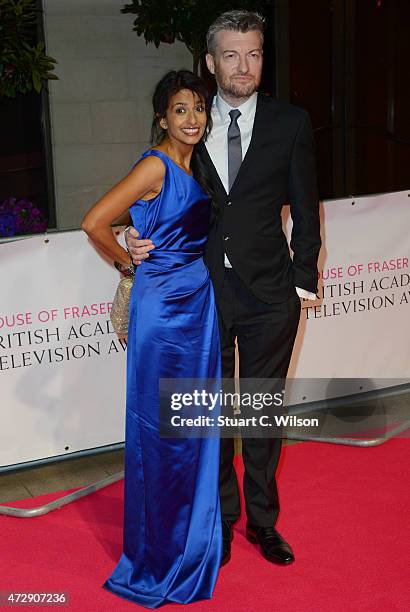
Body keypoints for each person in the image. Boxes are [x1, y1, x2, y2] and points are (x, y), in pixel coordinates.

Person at [126, 11, 321, 568]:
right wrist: (131, 237)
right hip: (201, 294)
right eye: (232, 55)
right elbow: (152, 189)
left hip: (269, 295)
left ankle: (264, 524)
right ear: (209, 63)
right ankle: (221, 522)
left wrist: (302, 279)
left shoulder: (291, 122)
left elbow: (306, 208)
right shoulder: (189, 121)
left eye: (255, 54)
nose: (245, 66)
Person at [82, 70, 222, 608]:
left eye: (199, 109)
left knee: (194, 426)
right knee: (163, 433)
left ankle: (190, 543)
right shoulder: (154, 166)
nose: (192, 119)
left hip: (198, 305)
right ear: (162, 116)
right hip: (162, 311)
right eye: (180, 110)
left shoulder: (197, 165)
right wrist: (129, 263)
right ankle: (158, 555)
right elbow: (94, 221)